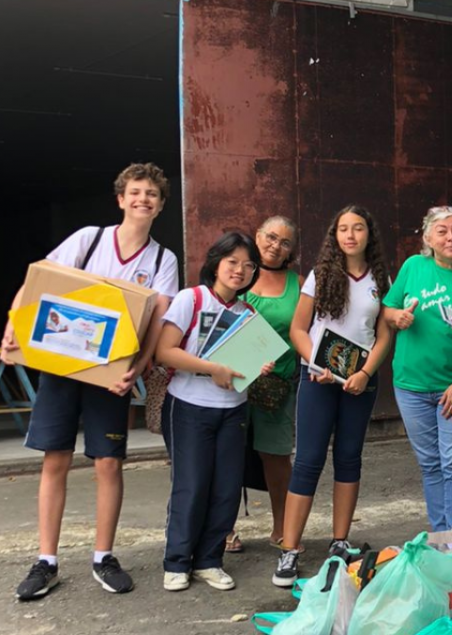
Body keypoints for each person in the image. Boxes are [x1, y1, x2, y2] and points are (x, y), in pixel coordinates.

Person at [4, 163, 179, 600]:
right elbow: (38, 278)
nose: (143, 199)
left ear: (160, 205)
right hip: (63, 367)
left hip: (111, 374)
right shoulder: (89, 239)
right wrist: (14, 324)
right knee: (55, 459)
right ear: (121, 199)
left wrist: (137, 371)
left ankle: (104, 556)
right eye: (135, 192)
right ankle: (47, 561)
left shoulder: (162, 260)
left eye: (152, 194)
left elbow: (158, 322)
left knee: (108, 463)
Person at [271, 206, 393, 587]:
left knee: (349, 458)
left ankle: (340, 542)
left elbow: (385, 333)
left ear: (369, 234)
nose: (351, 235)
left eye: (358, 228)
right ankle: (289, 550)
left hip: (360, 382)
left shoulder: (381, 278)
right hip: (320, 380)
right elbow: (298, 329)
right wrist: (316, 363)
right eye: (343, 228)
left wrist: (364, 373)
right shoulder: (319, 276)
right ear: (334, 235)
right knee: (308, 460)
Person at [156, 232, 273, 592]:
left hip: (233, 411)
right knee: (191, 486)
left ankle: (209, 560)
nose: (240, 270)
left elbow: (244, 366)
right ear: (216, 264)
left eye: (248, 265)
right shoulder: (191, 299)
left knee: (225, 489)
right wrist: (213, 368)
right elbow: (165, 352)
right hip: (189, 407)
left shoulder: (248, 312)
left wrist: (256, 367)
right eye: (232, 262)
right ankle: (177, 561)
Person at [383, 206, 452, 531]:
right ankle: (440, 537)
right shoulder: (414, 267)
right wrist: (396, 317)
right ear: (428, 238)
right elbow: (387, 309)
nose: (450, 237)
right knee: (430, 464)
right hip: (411, 385)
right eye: (442, 231)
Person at [225, 216, 301, 555]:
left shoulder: (298, 284)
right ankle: (222, 528)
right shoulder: (235, 274)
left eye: (285, 242)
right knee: (225, 454)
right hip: (229, 383)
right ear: (257, 236)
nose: (276, 245)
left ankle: (282, 527)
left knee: (276, 455)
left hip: (277, 384)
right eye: (271, 237)